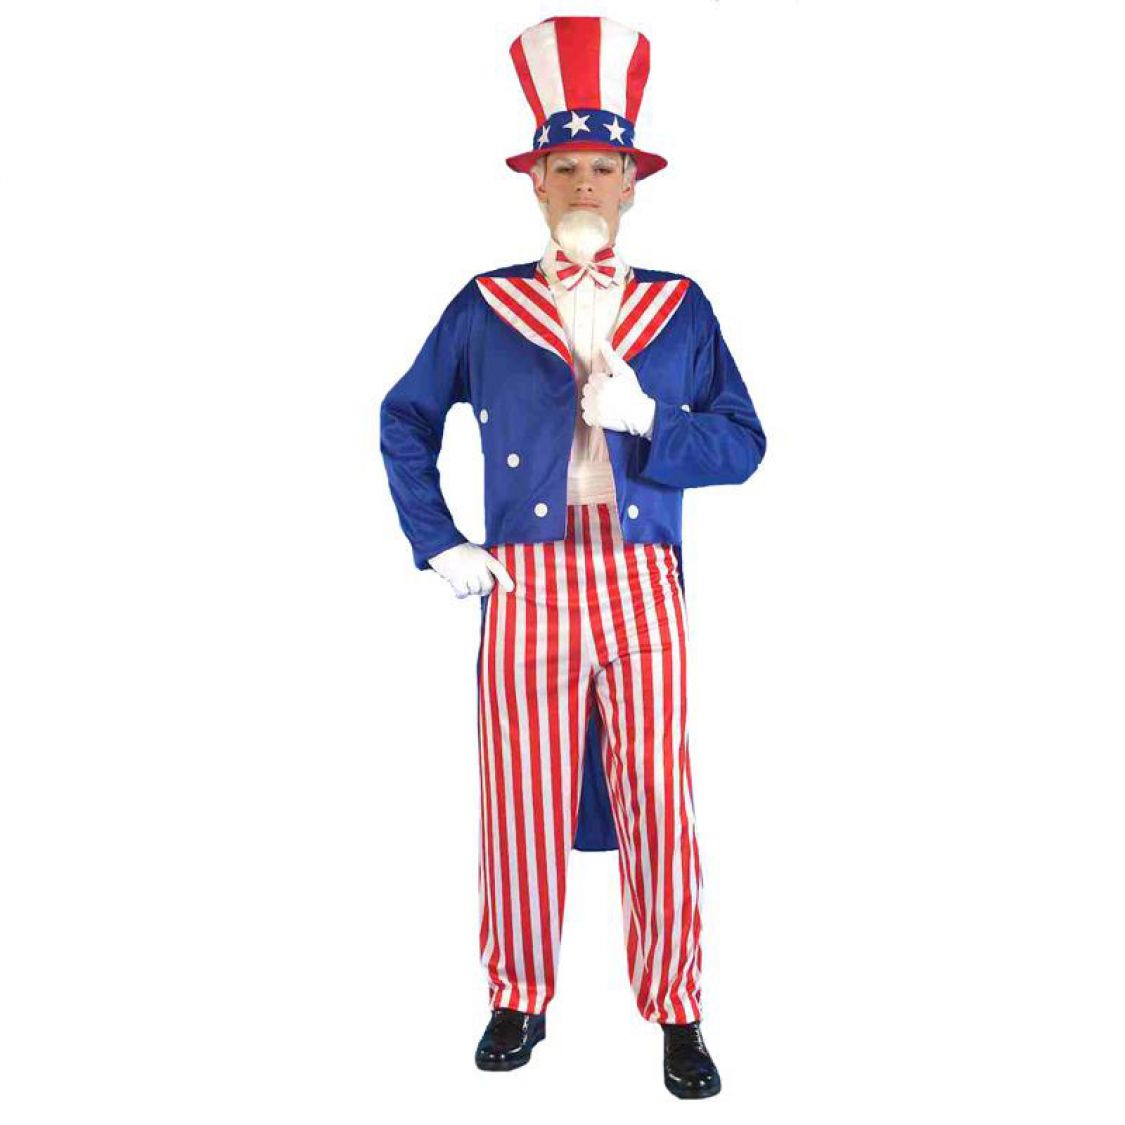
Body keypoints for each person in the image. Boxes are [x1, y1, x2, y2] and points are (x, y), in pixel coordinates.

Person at [379, 16, 766, 1100]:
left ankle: (678, 1010)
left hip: (642, 576)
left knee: (656, 792)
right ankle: (518, 995)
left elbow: (743, 443)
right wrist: (438, 539)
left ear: (631, 184)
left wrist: (652, 420)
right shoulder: (485, 303)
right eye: (565, 167)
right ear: (536, 183)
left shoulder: (680, 306)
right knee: (520, 792)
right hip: (524, 578)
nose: (584, 181)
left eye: (603, 165)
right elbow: (405, 417)